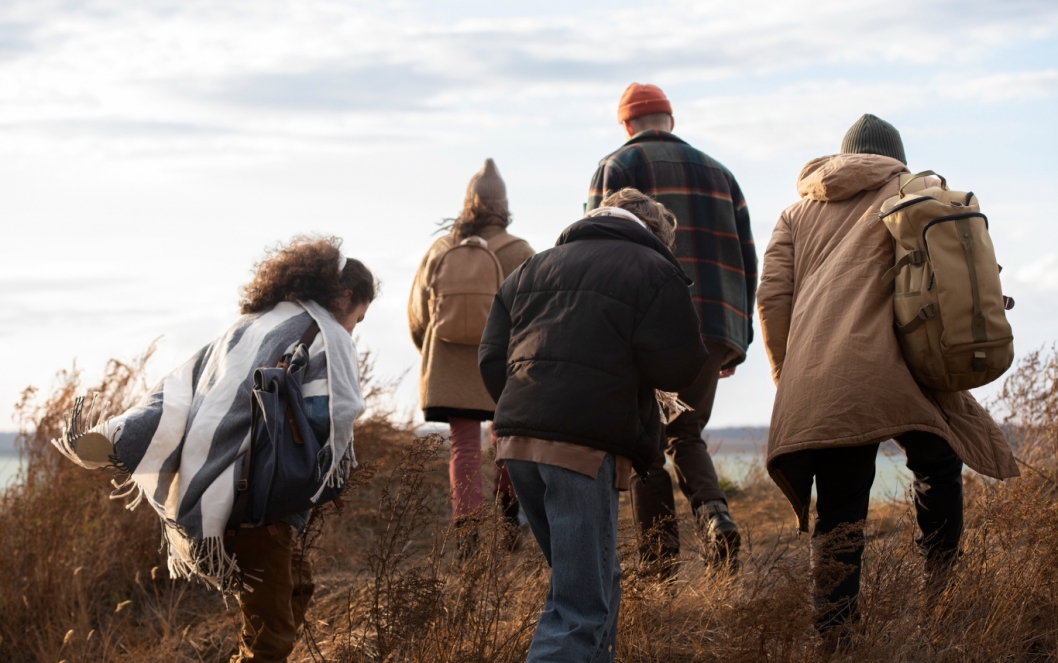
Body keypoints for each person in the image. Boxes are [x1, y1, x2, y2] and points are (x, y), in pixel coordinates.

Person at [53, 236, 377, 662]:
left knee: (295, 591)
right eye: (360, 316)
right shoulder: (329, 336)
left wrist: (127, 435)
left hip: (217, 488)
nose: (356, 326)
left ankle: (121, 435)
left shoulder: (251, 324)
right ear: (347, 297)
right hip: (263, 501)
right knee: (271, 638)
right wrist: (328, 471)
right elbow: (330, 416)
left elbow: (183, 389)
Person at [757, 114, 1020, 640]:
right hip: (913, 366)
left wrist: (792, 377)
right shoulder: (919, 191)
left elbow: (771, 299)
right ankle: (941, 600)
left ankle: (835, 633)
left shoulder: (796, 213)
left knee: (841, 505)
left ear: (843, 156)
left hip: (830, 373)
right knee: (938, 468)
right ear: (893, 154)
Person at [479, 188, 708, 662]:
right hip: (580, 451)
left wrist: (529, 408)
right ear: (656, 233)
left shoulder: (531, 268)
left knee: (599, 582)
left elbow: (490, 358)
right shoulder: (653, 269)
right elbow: (680, 366)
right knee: (578, 607)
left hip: (519, 444)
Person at [587, 82, 757, 567]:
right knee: (685, 428)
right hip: (715, 325)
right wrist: (735, 339)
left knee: (648, 442)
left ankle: (659, 561)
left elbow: (594, 251)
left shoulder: (617, 168)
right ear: (670, 120)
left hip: (649, 323)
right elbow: (748, 260)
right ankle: (713, 513)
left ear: (626, 124)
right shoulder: (722, 174)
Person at [408, 158, 534, 543]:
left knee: (462, 446)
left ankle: (468, 531)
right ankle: (510, 518)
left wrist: (431, 352)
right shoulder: (520, 251)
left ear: (468, 202)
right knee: (506, 438)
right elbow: (535, 314)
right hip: (503, 364)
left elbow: (417, 313)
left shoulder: (441, 248)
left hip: (448, 363)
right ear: (504, 205)